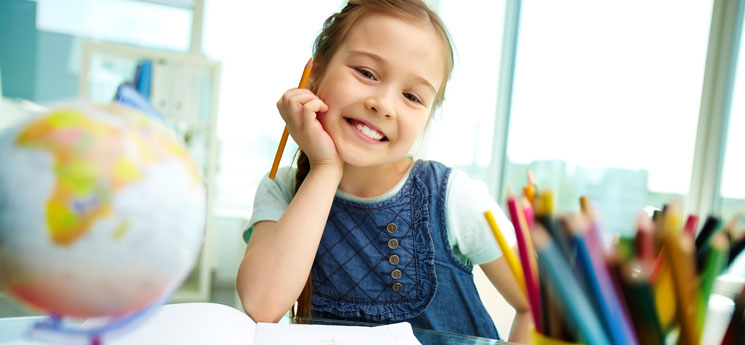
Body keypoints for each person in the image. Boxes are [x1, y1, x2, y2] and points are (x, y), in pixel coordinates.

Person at [236, 0, 530, 342]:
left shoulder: (452, 197)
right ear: (314, 74)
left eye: (412, 96)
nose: (384, 104)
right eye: (366, 73)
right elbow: (262, 304)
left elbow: (539, 306)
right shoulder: (283, 189)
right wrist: (325, 168)